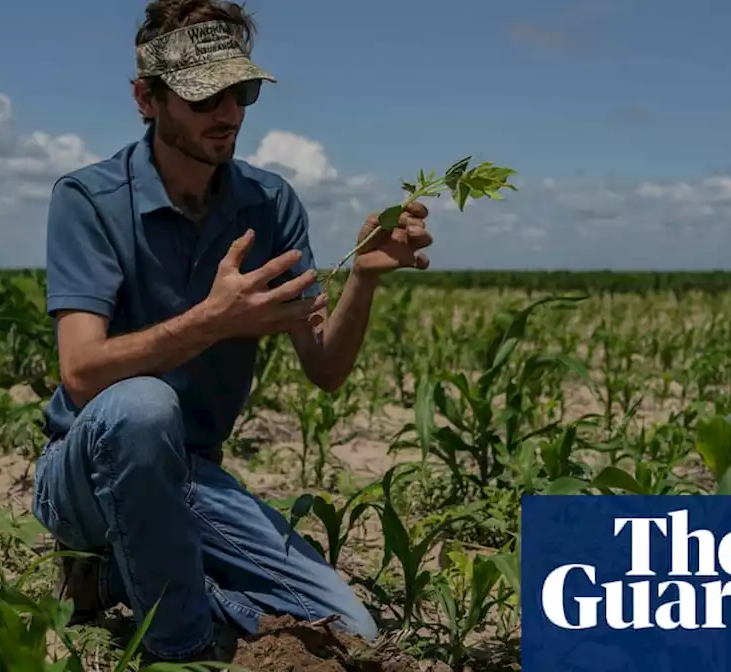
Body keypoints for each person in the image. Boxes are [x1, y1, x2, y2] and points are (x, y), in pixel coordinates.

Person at [30, 0, 434, 663]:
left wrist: (363, 275)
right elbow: (80, 373)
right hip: (87, 466)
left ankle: (112, 577)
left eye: (240, 91)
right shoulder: (88, 200)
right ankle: (179, 647)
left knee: (348, 627)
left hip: (191, 477)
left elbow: (326, 369)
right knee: (141, 406)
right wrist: (213, 322)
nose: (229, 114)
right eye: (203, 96)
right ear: (146, 98)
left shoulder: (269, 205)